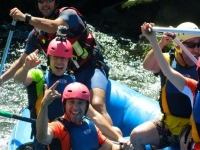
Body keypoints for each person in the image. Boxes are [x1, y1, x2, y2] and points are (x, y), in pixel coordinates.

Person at [4, 0, 113, 127]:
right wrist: (1, 80)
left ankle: (114, 143)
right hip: (63, 75)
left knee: (97, 104)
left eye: (49, 0)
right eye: (41, 1)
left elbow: (53, 26)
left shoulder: (70, 15)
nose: (45, 4)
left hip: (90, 68)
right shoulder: (37, 34)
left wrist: (25, 17)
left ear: (56, 3)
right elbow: (21, 62)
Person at [131, 22, 200, 150]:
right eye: (191, 45)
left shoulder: (199, 66)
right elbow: (148, 66)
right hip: (168, 123)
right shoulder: (167, 61)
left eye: (199, 44)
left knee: (186, 143)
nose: (196, 50)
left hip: (190, 126)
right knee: (136, 136)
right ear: (178, 45)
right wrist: (161, 42)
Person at [36, 81, 133, 150]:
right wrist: (44, 105)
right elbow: (42, 137)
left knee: (117, 131)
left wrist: (122, 147)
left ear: (86, 106)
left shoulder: (89, 125)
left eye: (80, 103)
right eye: (71, 102)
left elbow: (110, 147)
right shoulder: (58, 127)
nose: (75, 107)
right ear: (64, 104)